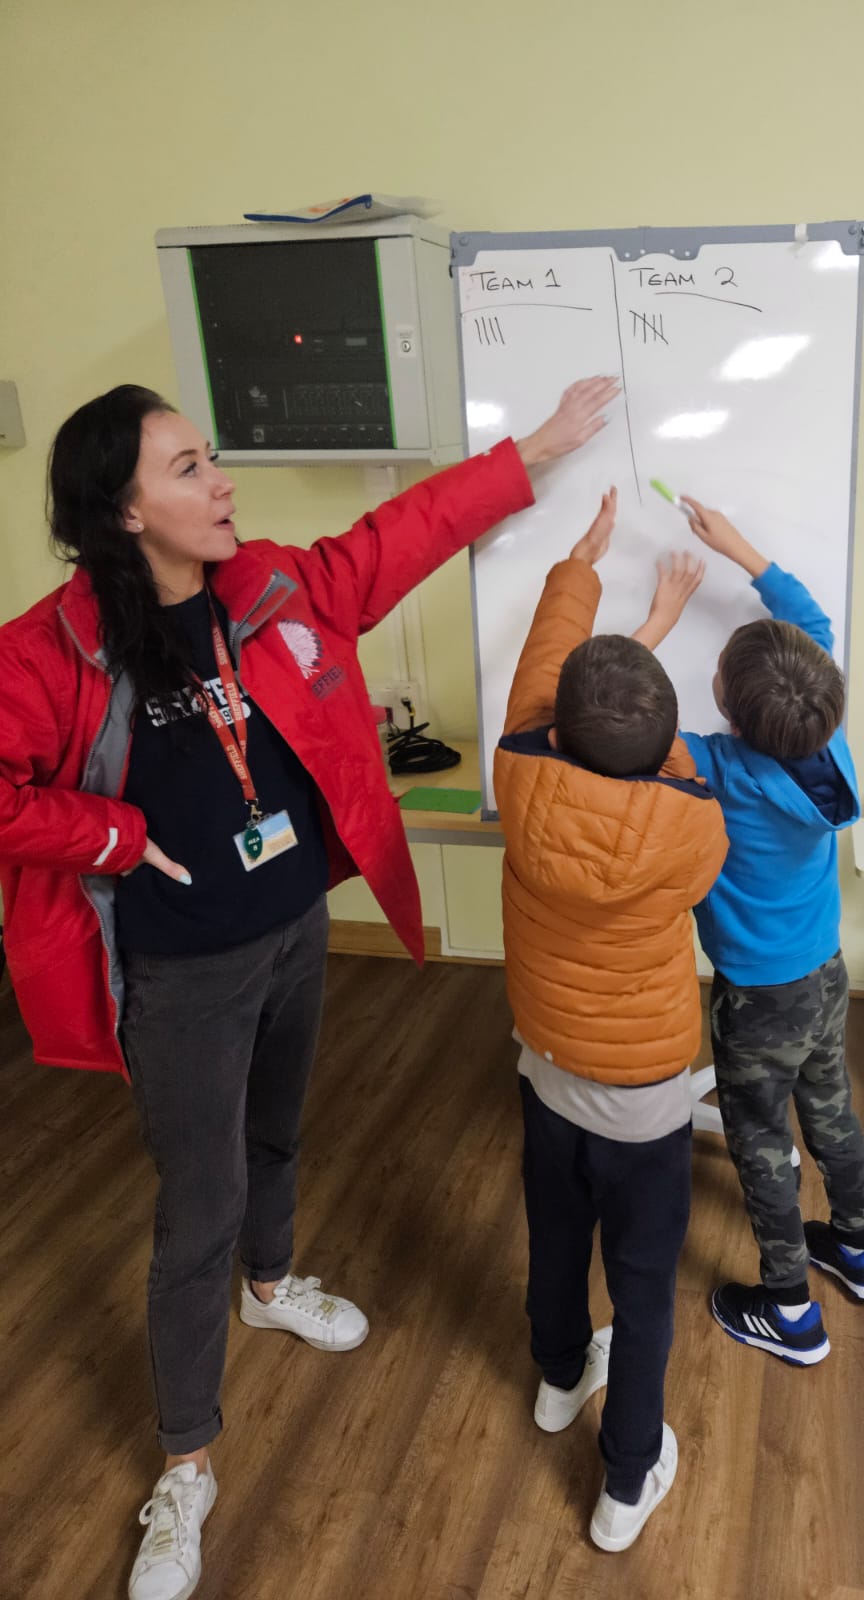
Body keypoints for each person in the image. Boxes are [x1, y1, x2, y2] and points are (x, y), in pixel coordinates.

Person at [0, 374, 618, 1600]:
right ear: (123, 511)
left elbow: (402, 536)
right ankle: (185, 1463)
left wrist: (538, 447)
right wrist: (112, 836)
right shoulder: (47, 649)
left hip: (293, 928)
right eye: (188, 468)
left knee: (280, 1129)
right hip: (180, 972)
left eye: (211, 456)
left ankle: (274, 1284)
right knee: (200, 1205)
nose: (221, 481)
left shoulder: (268, 585)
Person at [492, 490, 726, 1552]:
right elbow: (662, 767)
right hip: (644, 1108)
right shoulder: (690, 823)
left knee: (554, 1243)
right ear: (668, 744)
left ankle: (556, 1379)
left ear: (553, 727)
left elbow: (547, 660)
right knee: (641, 1290)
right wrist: (666, 629)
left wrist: (581, 564)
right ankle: (626, 1480)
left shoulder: (518, 768)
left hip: (548, 1074)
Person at [670, 497, 864, 1368]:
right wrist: (746, 553)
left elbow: (613, 726)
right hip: (825, 975)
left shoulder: (712, 765)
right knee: (830, 1111)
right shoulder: (829, 746)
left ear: (722, 699)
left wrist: (661, 614)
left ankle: (791, 1310)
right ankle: (859, 1250)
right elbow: (813, 629)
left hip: (757, 998)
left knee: (762, 1142)